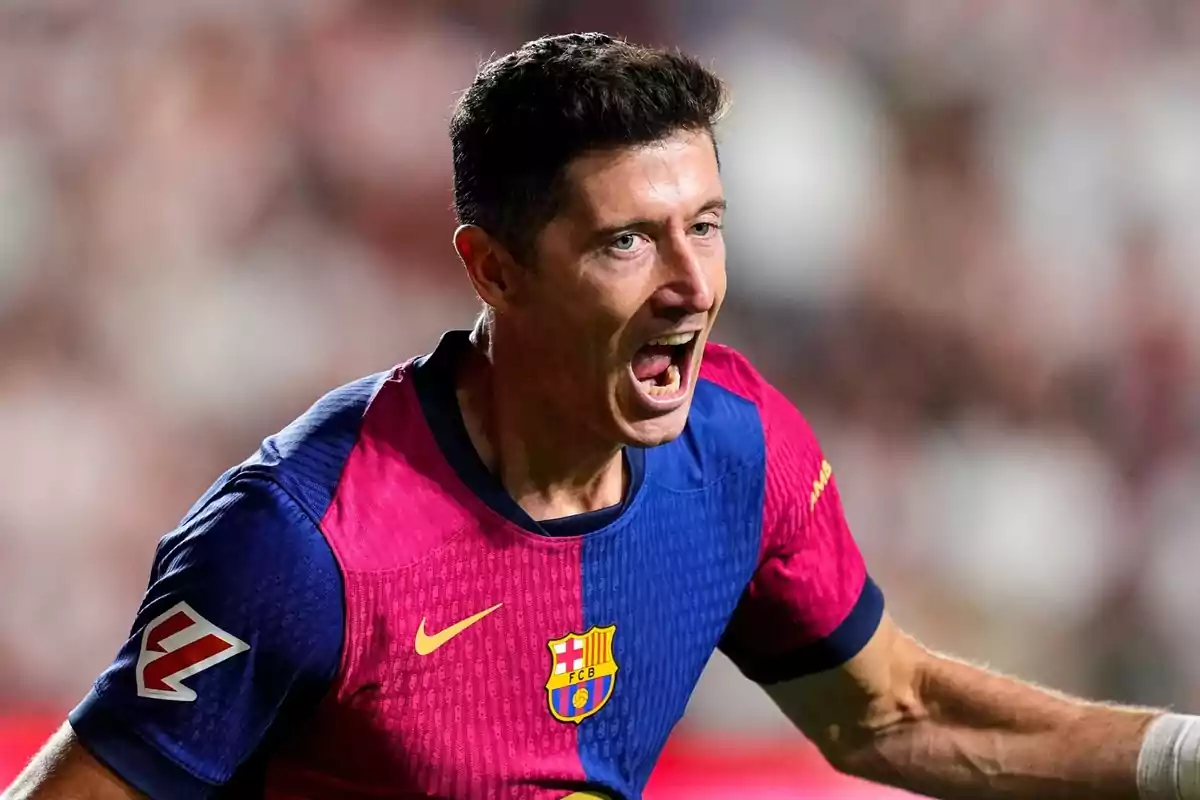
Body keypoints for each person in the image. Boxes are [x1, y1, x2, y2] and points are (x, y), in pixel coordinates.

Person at [4, 32, 1199, 800]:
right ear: (495, 268)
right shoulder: (303, 543)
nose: (691, 283)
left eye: (708, 224)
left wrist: (1178, 758)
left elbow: (896, 709)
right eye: (628, 240)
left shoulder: (739, 450)